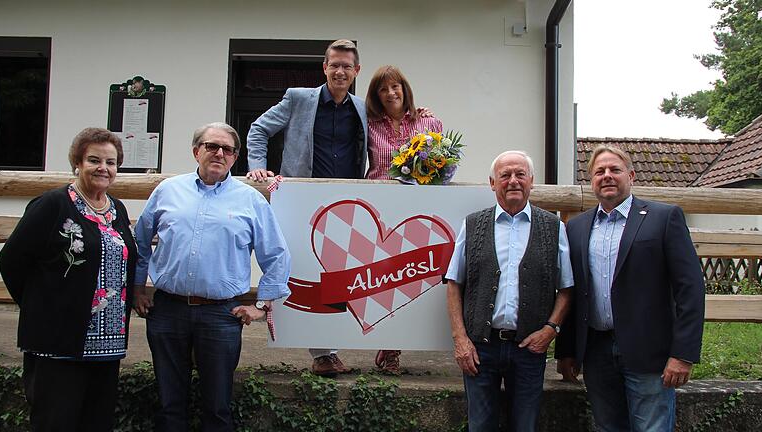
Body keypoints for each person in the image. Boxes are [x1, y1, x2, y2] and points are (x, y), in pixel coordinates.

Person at [134, 122, 291, 431]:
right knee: (169, 403)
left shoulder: (251, 200)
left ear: (235, 158)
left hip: (221, 314)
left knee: (218, 407)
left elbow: (276, 254)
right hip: (167, 310)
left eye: (228, 149)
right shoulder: (168, 190)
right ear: (197, 151)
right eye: (211, 146)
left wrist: (262, 306)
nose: (220, 153)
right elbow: (140, 241)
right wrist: (138, 288)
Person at [555, 145, 705, 432]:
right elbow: (573, 291)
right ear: (591, 180)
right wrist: (567, 350)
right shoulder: (576, 227)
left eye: (615, 170)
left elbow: (691, 288)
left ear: (631, 175)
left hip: (649, 353)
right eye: (600, 171)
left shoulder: (664, 218)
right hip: (596, 352)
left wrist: (683, 354)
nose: (607, 176)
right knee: (608, 427)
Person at [0, 128, 137, 432]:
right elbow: (11, 260)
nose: (104, 168)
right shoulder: (52, 204)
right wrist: (40, 304)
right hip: (59, 341)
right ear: (77, 162)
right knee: (56, 422)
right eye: (94, 160)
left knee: (96, 423)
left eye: (111, 162)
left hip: (108, 345)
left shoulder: (117, 209)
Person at [246, 39, 366, 377]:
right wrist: (257, 165)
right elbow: (258, 130)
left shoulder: (361, 107)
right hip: (302, 199)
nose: (340, 71)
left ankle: (328, 348)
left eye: (347, 66)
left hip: (346, 201)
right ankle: (323, 352)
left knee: (337, 270)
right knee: (306, 268)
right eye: (335, 64)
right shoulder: (299, 98)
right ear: (324, 67)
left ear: (356, 71)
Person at [445, 150, 574, 431]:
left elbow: (566, 288)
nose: (513, 181)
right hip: (481, 348)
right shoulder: (473, 224)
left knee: (525, 427)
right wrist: (460, 339)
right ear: (493, 183)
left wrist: (551, 329)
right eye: (505, 175)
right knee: (479, 426)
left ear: (531, 181)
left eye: (520, 174)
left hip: (530, 349)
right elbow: (454, 282)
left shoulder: (554, 227)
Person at [364, 64, 444, 374]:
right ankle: (389, 347)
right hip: (379, 207)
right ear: (376, 95)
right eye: (383, 89)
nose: (390, 93)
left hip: (414, 208)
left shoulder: (429, 122)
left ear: (405, 89)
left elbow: (440, 166)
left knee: (407, 277)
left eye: (395, 87)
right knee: (382, 278)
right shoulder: (368, 125)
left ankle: (391, 347)